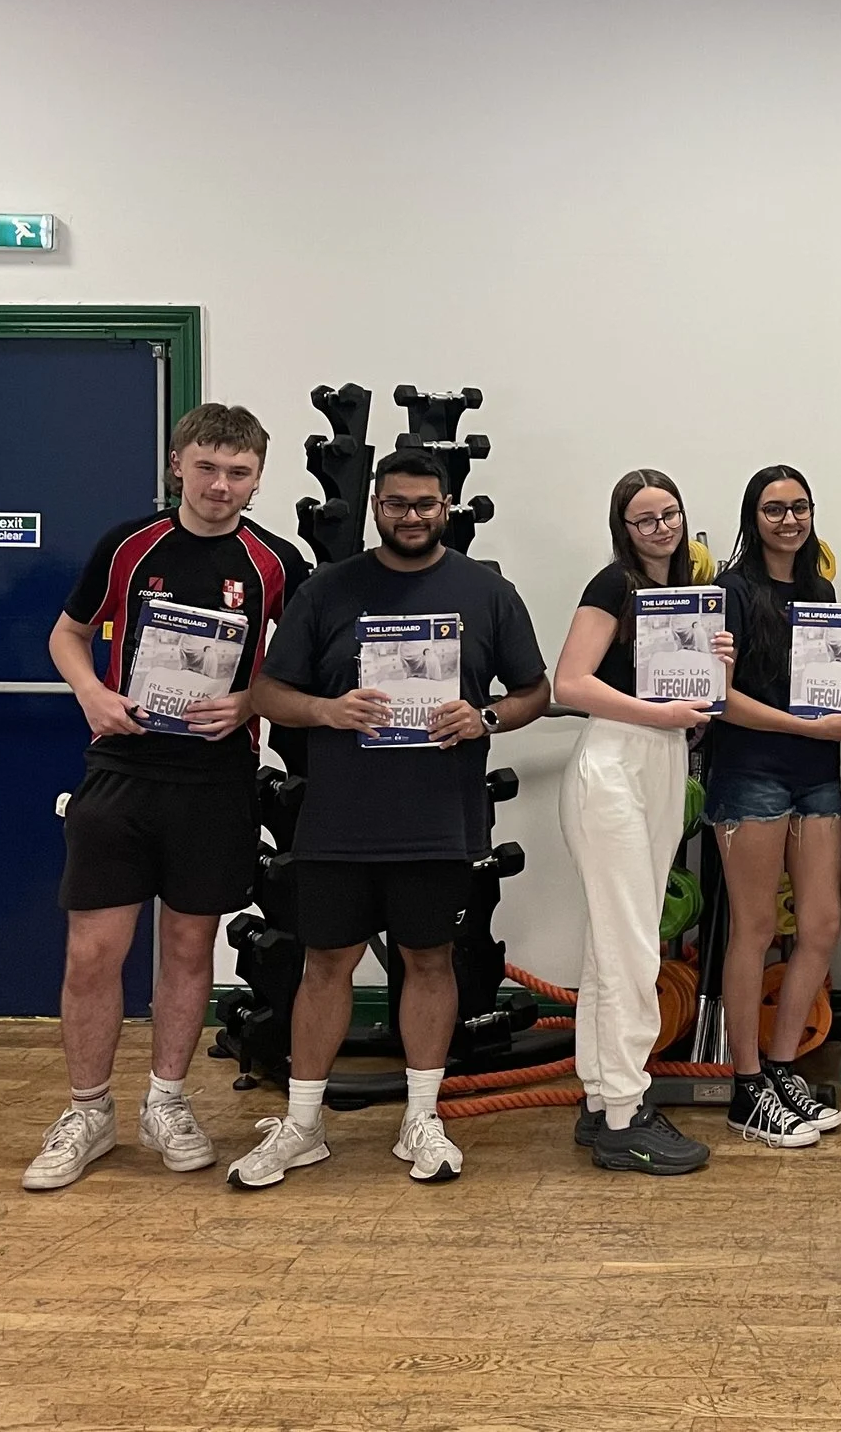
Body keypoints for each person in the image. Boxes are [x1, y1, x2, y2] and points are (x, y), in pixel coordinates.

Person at [230, 448, 550, 1188]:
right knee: (326, 964)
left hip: (438, 818)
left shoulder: (485, 591)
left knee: (430, 961)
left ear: (447, 506)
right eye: (397, 503)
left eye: (426, 503)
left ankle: (420, 1118)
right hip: (340, 818)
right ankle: (304, 1123)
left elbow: (534, 688)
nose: (412, 515)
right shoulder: (328, 589)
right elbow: (267, 694)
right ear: (377, 506)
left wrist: (487, 716)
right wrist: (326, 710)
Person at [23, 403, 311, 1192]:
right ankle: (88, 1111)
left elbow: (301, 669)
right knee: (93, 953)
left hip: (216, 782)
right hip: (122, 770)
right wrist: (89, 693)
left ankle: (167, 1099)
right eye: (208, 467)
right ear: (178, 463)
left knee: (188, 950)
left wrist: (251, 700)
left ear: (258, 478)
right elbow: (66, 633)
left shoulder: (275, 562)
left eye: (240, 472)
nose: (222, 485)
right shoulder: (128, 545)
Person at [552, 469, 734, 1176]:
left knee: (615, 941)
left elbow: (701, 696)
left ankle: (603, 1096)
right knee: (631, 944)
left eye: (669, 515)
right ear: (622, 528)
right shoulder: (613, 586)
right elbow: (571, 681)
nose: (660, 528)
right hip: (613, 762)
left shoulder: (688, 594)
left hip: (660, 758)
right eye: (644, 519)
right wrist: (662, 713)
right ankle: (628, 1114)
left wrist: (718, 666)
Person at [707, 465, 841, 1148]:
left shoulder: (821, 593)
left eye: (799, 506)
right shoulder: (730, 591)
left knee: (821, 925)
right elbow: (721, 699)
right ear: (754, 517)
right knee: (753, 928)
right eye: (774, 508)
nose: (789, 519)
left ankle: (782, 1066)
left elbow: (831, 687)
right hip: (750, 774)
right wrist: (807, 727)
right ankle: (745, 1084)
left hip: (816, 777)